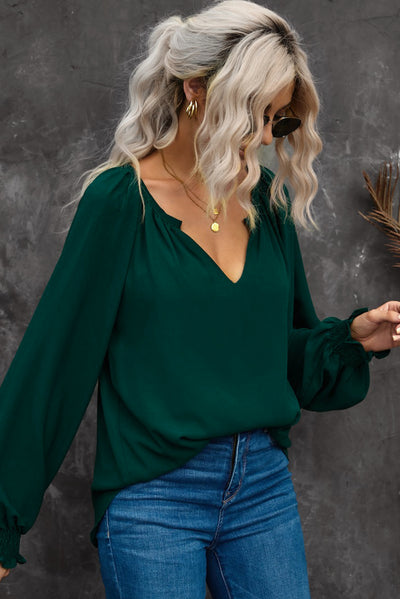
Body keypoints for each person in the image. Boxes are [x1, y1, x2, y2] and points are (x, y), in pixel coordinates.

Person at [0, 0, 398, 596]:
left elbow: (277, 362)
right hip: (153, 498)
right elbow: (55, 364)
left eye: (278, 120)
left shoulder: (266, 201)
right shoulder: (121, 202)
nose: (264, 136)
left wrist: (350, 340)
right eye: (255, 114)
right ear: (194, 89)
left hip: (263, 490)